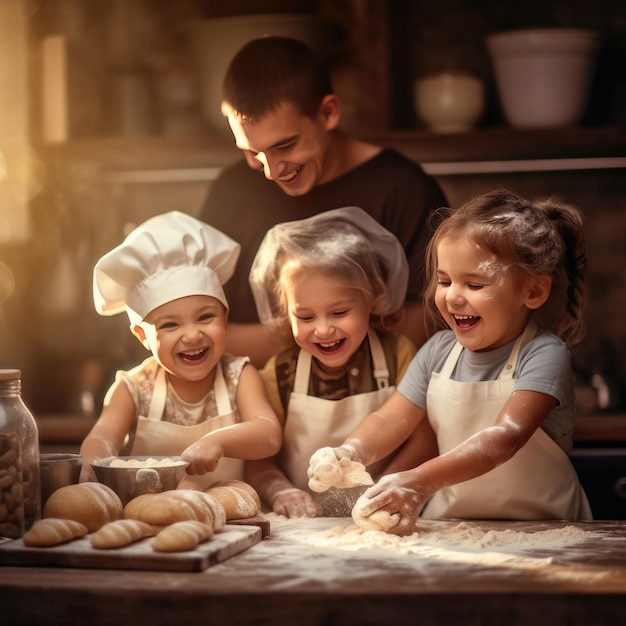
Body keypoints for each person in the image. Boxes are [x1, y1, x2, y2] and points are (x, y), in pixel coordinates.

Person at [308, 189, 593, 534]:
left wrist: (419, 481)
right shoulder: (437, 352)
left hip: (548, 531)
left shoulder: (544, 354)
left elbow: (505, 437)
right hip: (454, 529)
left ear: (532, 291)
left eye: (474, 284)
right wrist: (349, 452)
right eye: (444, 281)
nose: (453, 296)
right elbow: (389, 420)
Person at [200, 35, 448, 368]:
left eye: (285, 145)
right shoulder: (231, 190)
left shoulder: (403, 189)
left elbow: (427, 327)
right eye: (251, 152)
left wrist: (287, 335)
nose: (271, 171)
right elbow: (198, 327)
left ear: (328, 113)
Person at [245, 206, 438, 517]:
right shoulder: (280, 373)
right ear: (285, 310)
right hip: (302, 527)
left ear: (372, 297)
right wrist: (279, 490)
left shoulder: (397, 355)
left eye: (339, 312)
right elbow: (258, 461)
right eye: (305, 316)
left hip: (385, 511)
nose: (323, 329)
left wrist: (388, 487)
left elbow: (425, 440)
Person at [79, 211, 282, 487]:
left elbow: (268, 434)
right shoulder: (133, 389)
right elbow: (102, 438)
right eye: (171, 325)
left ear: (225, 316)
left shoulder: (240, 376)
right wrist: (91, 467)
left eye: (206, 317)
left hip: (232, 522)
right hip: (151, 521)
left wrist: (218, 442)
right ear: (142, 336)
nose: (192, 334)